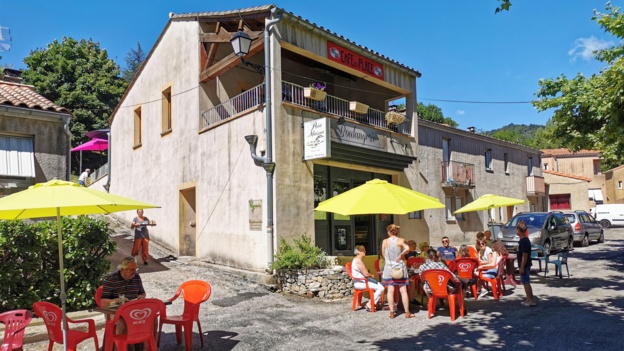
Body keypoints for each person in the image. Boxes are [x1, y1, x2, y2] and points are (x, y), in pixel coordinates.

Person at [101, 256, 148, 351]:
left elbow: (142, 292)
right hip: (114, 312)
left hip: (133, 309)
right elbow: (103, 302)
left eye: (136, 269)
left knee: (153, 318)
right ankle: (124, 348)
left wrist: (141, 297)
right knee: (123, 322)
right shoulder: (111, 279)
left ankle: (150, 347)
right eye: (132, 270)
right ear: (123, 269)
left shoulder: (137, 277)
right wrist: (118, 300)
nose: (135, 272)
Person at [381, 224, 414, 319]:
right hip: (399, 267)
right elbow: (408, 248)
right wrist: (400, 255)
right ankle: (407, 312)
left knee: (390, 290)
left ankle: (391, 312)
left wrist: (389, 260)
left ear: (388, 232)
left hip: (389, 267)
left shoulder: (385, 241)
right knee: (403, 291)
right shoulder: (401, 240)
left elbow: (383, 254)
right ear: (397, 232)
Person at [351, 245, 385, 311]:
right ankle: (370, 304)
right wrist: (371, 276)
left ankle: (375, 303)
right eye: (362, 250)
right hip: (362, 283)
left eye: (364, 250)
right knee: (381, 288)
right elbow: (366, 274)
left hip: (360, 282)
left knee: (379, 285)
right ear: (358, 252)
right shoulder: (358, 261)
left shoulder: (356, 259)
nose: (365, 251)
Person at [517, 220, 536, 307]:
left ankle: (530, 300)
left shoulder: (524, 241)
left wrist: (522, 267)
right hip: (525, 264)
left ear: (519, 230)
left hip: (525, 265)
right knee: (525, 282)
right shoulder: (523, 240)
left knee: (526, 282)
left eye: (517, 229)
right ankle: (528, 299)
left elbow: (525, 255)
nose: (516, 231)